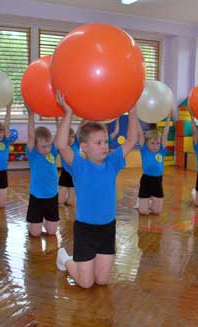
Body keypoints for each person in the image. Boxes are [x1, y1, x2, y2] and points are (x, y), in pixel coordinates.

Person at [55, 93, 138, 288]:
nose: (104, 147)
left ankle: (78, 263)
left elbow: (131, 140)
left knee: (101, 281)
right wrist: (68, 113)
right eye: (98, 143)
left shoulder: (112, 162)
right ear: (84, 147)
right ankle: (65, 259)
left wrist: (132, 112)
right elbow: (60, 145)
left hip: (107, 229)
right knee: (86, 283)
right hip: (85, 231)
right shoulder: (78, 165)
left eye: (105, 142)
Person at [25, 105, 60, 237]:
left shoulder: (53, 152)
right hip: (37, 198)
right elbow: (30, 135)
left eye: (49, 145)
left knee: (52, 233)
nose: (47, 149)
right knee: (35, 234)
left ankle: (44, 222)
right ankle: (34, 224)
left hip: (52, 197)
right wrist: (31, 115)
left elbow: (59, 135)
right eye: (43, 146)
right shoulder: (33, 154)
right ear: (35, 145)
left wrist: (58, 120)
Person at [136, 112, 172, 215]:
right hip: (146, 180)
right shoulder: (144, 149)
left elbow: (165, 134)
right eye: (152, 143)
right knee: (143, 212)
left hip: (157, 181)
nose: (155, 145)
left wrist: (168, 118)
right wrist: (135, 117)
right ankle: (143, 201)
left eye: (157, 143)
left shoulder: (161, 150)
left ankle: (150, 200)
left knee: (157, 212)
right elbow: (139, 132)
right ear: (147, 143)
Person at [58, 127, 78, 206]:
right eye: (68, 137)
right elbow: (60, 134)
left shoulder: (76, 144)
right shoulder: (62, 146)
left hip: (75, 172)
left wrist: (84, 118)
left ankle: (70, 200)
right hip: (66, 172)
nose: (70, 139)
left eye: (72, 137)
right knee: (60, 201)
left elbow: (80, 128)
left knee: (71, 202)